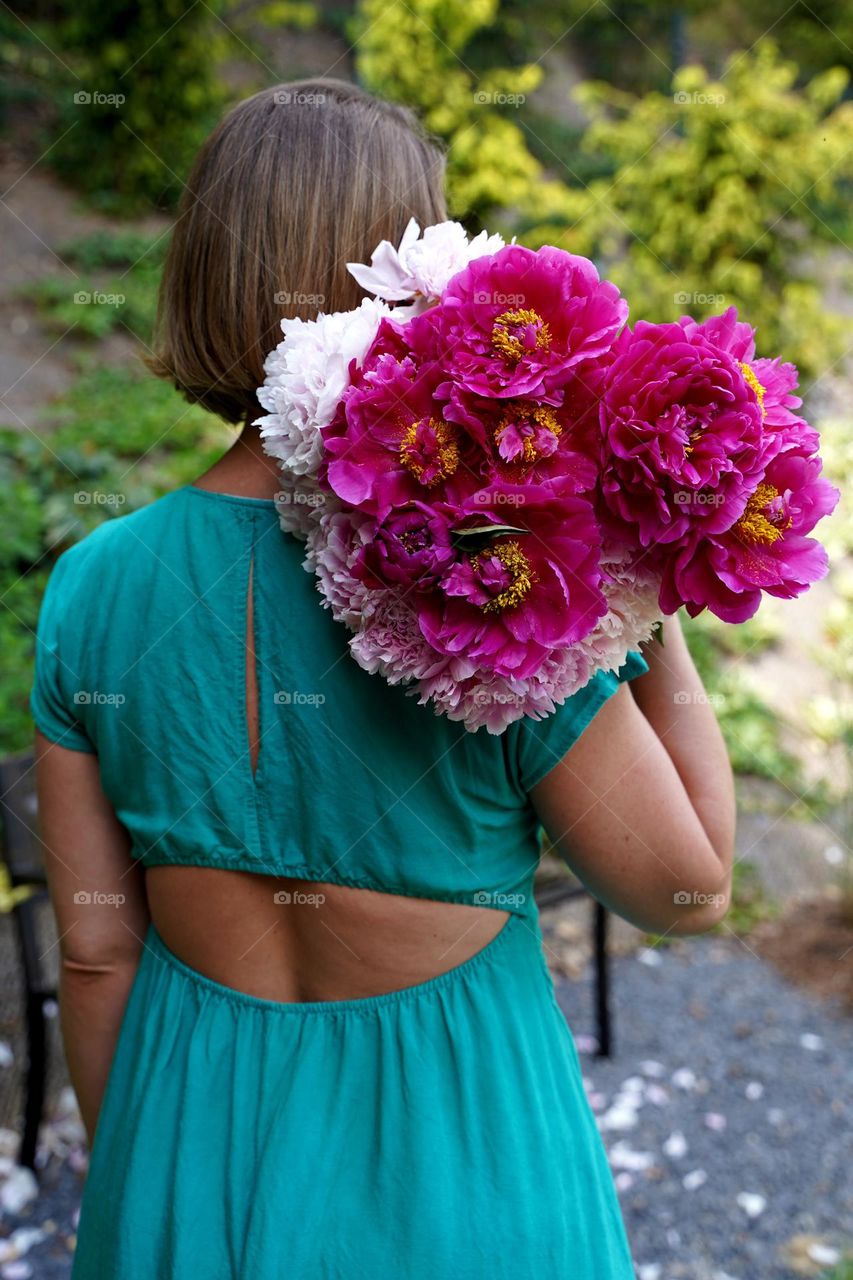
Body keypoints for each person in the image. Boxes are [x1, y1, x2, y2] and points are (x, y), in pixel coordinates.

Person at [31, 77, 735, 1279]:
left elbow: (97, 952)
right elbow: (686, 888)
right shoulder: (489, 573)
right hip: (462, 1174)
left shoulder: (94, 587)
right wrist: (636, 589)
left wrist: (146, 1184)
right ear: (407, 282)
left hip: (190, 1162)